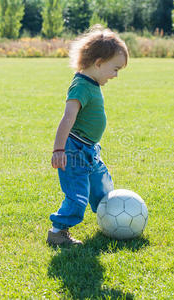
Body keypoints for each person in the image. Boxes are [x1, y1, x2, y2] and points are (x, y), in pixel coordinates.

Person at [47, 26, 129, 246]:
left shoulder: (92, 83)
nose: (116, 75)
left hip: (90, 150)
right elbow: (67, 119)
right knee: (77, 196)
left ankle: (113, 219)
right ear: (99, 63)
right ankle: (58, 231)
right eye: (115, 69)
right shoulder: (81, 86)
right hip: (74, 151)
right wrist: (59, 150)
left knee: (103, 188)